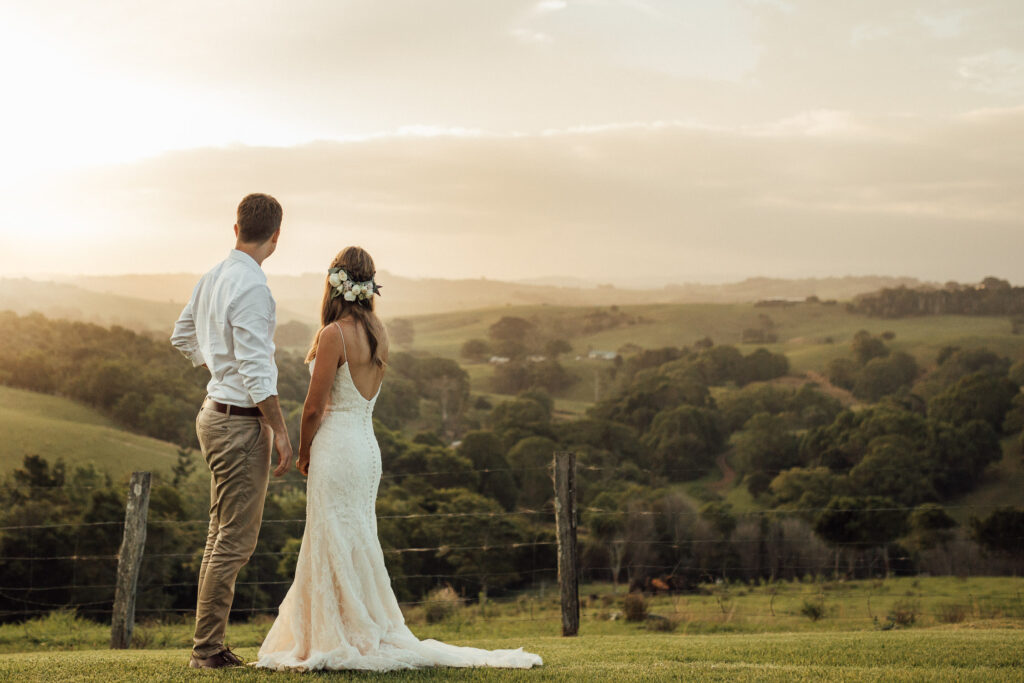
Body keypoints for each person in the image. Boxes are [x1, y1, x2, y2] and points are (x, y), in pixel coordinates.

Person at [255, 246, 542, 671]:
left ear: (334, 283)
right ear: (368, 284)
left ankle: (336, 633)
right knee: (356, 539)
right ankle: (356, 625)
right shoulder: (379, 332)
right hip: (366, 449)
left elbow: (313, 408)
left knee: (331, 537)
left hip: (337, 448)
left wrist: (304, 451)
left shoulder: (333, 334)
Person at [170, 193, 294, 669]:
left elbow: (182, 336)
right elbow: (257, 371)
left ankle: (208, 645)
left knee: (218, 536)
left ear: (237, 227)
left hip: (214, 414)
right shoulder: (253, 287)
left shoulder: (213, 277)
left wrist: (218, 369)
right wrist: (280, 431)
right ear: (276, 236)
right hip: (239, 424)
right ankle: (207, 650)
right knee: (234, 542)